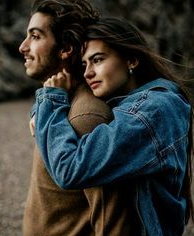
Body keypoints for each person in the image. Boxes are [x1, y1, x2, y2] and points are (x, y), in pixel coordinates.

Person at [33, 17, 194, 235]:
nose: (88, 72)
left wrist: (51, 101)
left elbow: (69, 169)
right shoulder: (138, 101)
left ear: (131, 61)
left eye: (97, 60)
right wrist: (42, 108)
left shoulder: (152, 113)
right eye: (84, 64)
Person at [19, 2, 132, 235]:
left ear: (66, 49)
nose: (23, 46)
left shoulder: (86, 116)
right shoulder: (55, 103)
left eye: (36, 36)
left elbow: (112, 223)